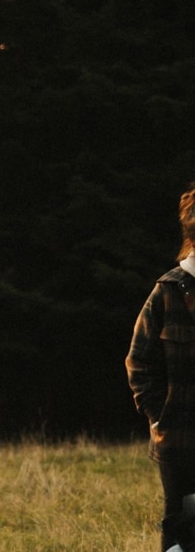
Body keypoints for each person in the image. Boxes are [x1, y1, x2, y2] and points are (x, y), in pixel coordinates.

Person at [128, 182, 195, 552]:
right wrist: (158, 416)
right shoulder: (168, 291)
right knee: (181, 532)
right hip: (180, 441)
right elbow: (139, 362)